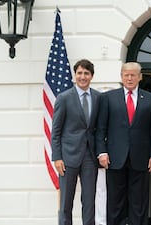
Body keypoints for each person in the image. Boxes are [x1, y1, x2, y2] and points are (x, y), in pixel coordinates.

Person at [95, 62, 151, 225]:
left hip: (141, 159)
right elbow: (101, 128)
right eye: (126, 75)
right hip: (114, 159)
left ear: (139, 77)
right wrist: (102, 152)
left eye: (133, 75)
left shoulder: (150, 99)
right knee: (115, 202)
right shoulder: (108, 98)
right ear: (121, 76)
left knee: (138, 203)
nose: (130, 78)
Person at [51, 59, 100, 225]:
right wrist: (57, 157)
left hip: (89, 157)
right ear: (75, 75)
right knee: (66, 203)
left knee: (89, 202)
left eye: (86, 73)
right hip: (67, 157)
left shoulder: (98, 97)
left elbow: (99, 129)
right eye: (79, 73)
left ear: (91, 76)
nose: (82, 76)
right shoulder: (64, 98)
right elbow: (56, 131)